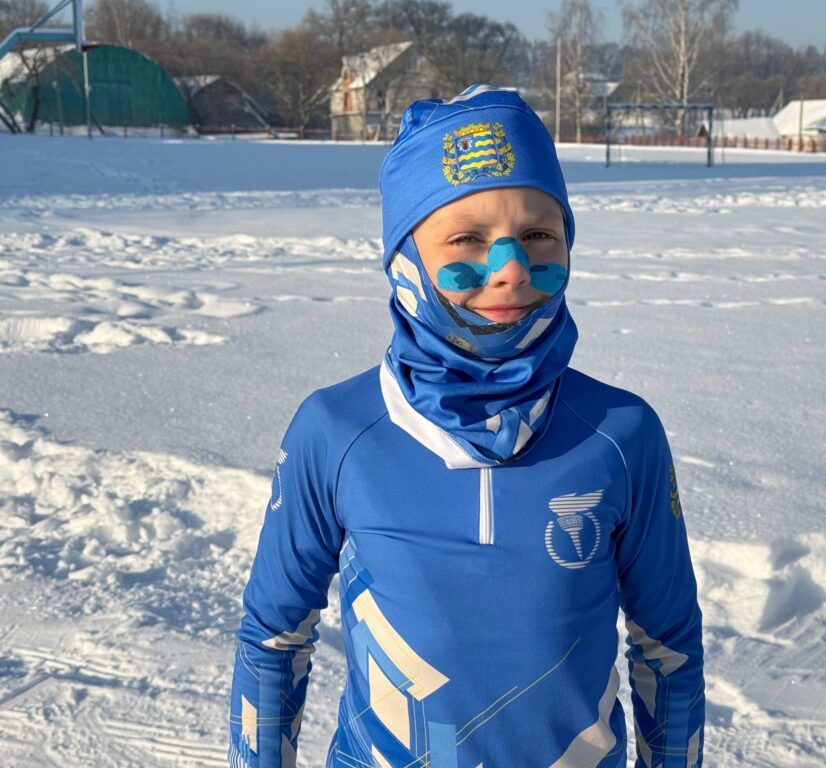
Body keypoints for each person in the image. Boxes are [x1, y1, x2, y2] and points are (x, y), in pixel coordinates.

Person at [227, 84, 705, 768]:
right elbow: (274, 640)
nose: (510, 269)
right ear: (405, 256)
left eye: (538, 235)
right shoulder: (337, 431)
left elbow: (669, 648)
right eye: (467, 240)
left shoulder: (620, 434)